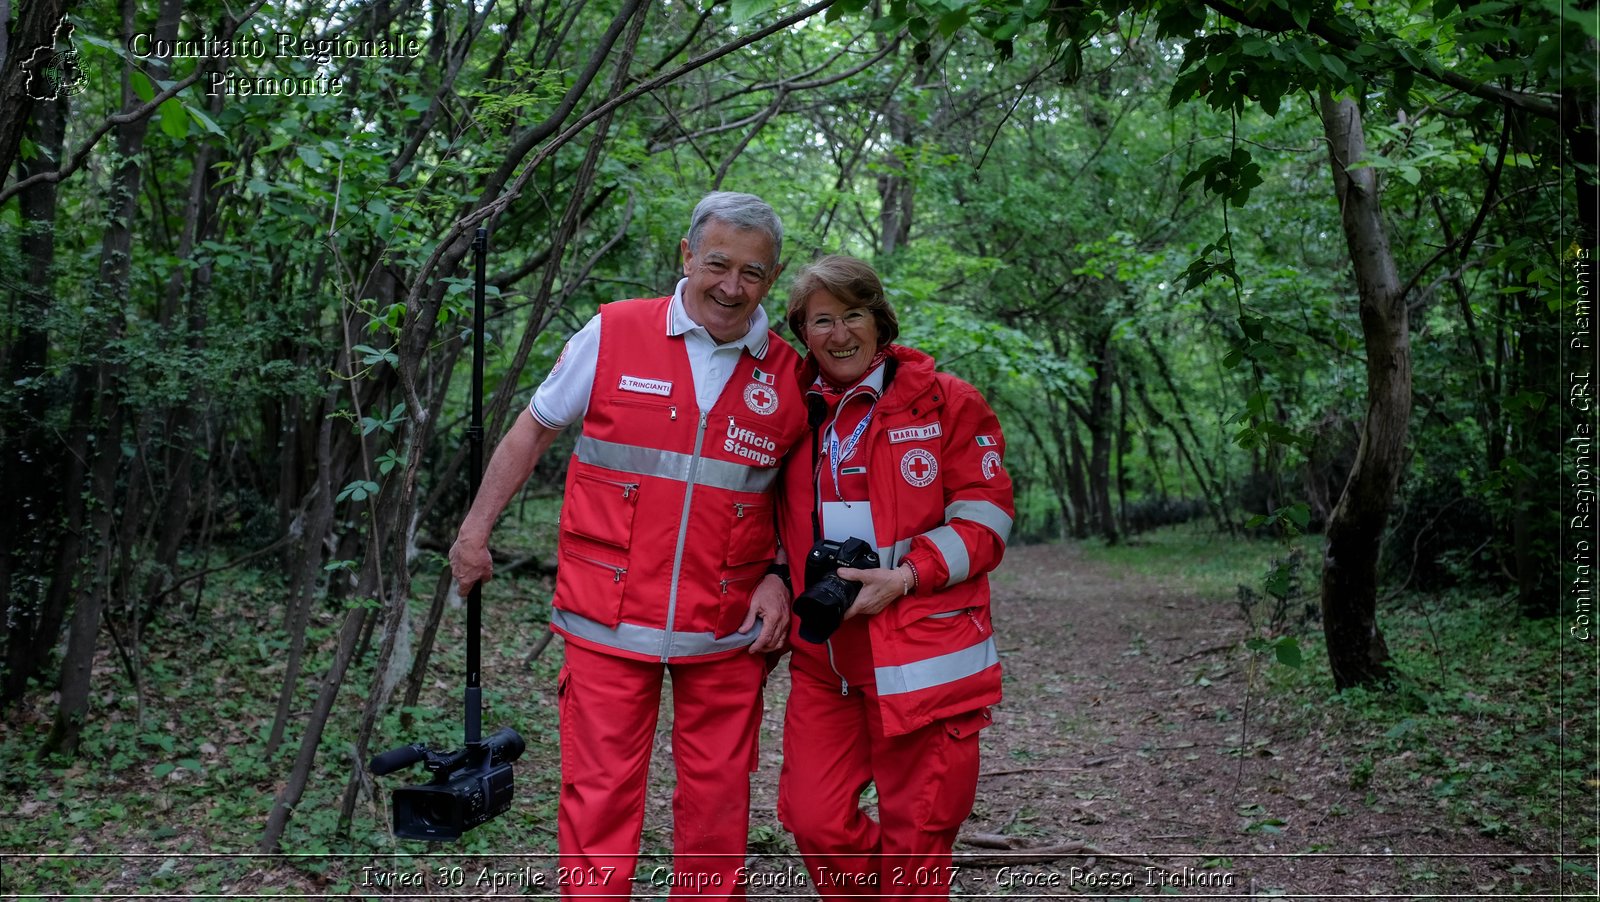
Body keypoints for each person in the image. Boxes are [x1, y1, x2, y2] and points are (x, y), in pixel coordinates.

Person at [449, 192, 808, 899]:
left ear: (773, 278)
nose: (732, 287)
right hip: (606, 616)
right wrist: (473, 533)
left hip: (726, 628)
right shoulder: (614, 332)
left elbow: (807, 501)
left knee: (717, 806)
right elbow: (532, 430)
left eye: (753, 273)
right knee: (599, 799)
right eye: (717, 264)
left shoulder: (791, 375)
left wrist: (783, 575)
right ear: (686, 255)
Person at [773, 255, 1014, 900]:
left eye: (852, 314)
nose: (839, 333)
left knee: (920, 833)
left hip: (926, 654)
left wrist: (906, 575)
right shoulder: (787, 410)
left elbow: (987, 523)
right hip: (827, 657)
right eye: (821, 320)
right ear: (802, 332)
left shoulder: (950, 403)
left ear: (879, 321)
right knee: (815, 821)